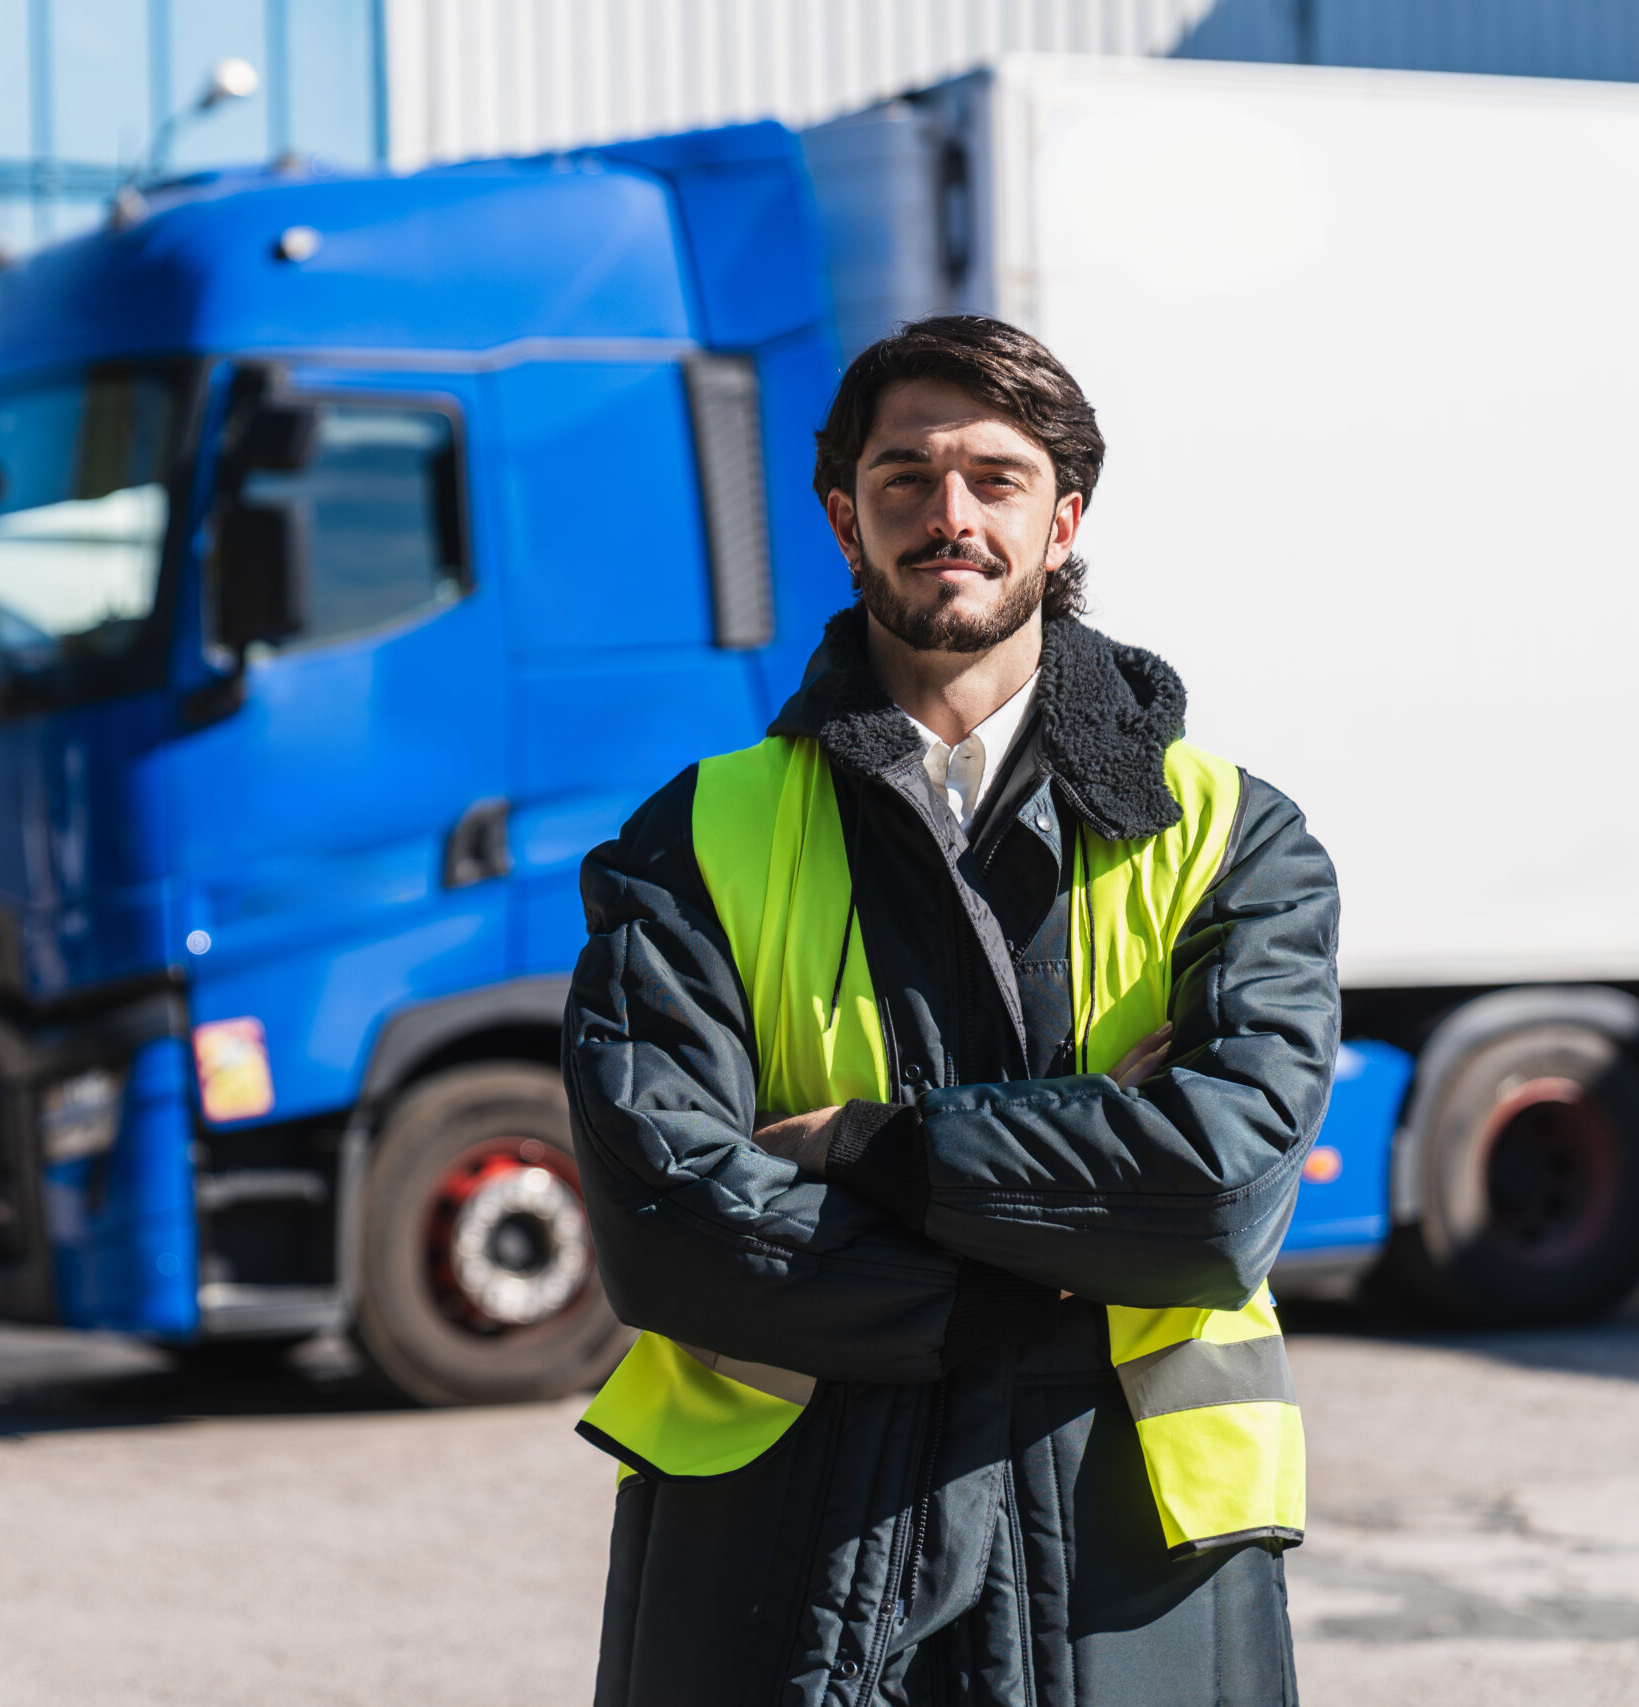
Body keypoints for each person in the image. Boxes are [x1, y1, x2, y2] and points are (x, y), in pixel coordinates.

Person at [562, 315, 1339, 1706]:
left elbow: (1219, 1197)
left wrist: (873, 1153)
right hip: (792, 1538)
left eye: (997, 477)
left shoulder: (1233, 835)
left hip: (1127, 1550)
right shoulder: (698, 835)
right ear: (842, 517)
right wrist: (1072, 1223)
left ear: (1064, 521)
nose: (950, 514)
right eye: (906, 477)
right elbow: (666, 1218)